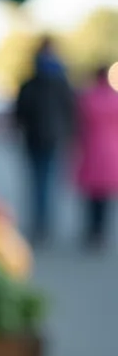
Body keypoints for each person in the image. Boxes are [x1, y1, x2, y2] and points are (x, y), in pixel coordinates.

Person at [12, 39, 76, 244]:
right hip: (53, 138)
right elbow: (70, 111)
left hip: (36, 138)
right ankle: (44, 224)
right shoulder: (62, 81)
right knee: (46, 181)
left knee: (38, 182)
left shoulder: (31, 82)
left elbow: (19, 113)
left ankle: (41, 224)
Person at [74, 64, 118, 249]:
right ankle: (101, 232)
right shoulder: (114, 100)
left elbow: (78, 124)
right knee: (105, 197)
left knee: (92, 195)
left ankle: (91, 230)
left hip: (91, 148)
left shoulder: (86, 98)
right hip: (111, 150)